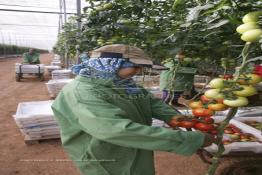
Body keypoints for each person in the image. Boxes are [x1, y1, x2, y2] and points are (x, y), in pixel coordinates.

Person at [51, 44, 216, 175]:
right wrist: (190, 140)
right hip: (104, 156)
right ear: (110, 64)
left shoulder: (122, 83)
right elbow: (115, 130)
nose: (138, 71)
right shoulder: (83, 92)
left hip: (135, 146)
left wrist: (177, 119)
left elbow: (152, 103)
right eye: (134, 66)